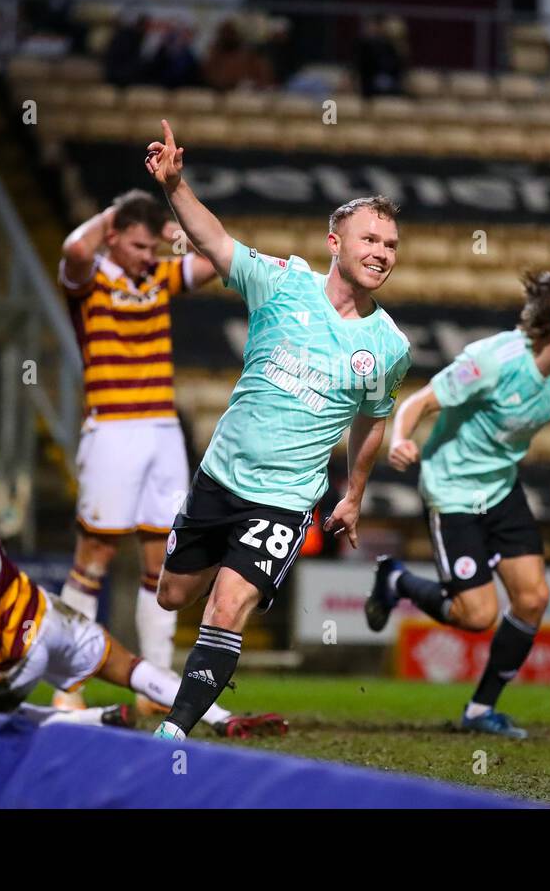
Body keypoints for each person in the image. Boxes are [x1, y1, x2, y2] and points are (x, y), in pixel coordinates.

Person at [144, 119, 412, 740]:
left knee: (227, 605)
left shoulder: (389, 346)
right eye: (369, 239)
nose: (380, 252)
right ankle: (197, 661)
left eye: (391, 244)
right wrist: (175, 187)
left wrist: (354, 493)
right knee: (172, 596)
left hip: (287, 499)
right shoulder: (282, 282)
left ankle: (175, 732)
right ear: (334, 242)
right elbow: (215, 242)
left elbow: (373, 419)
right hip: (220, 476)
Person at [365, 272, 550, 738]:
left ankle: (480, 711)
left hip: (501, 490)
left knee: (534, 598)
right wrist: (400, 441)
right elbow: (417, 403)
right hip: (454, 494)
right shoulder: (493, 360)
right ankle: (396, 578)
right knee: (476, 616)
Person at [0, 453, 284, 737]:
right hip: (44, 609)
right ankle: (220, 716)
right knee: (129, 667)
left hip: (9, 653)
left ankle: (83, 721)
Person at [57, 189, 217, 715]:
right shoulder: (91, 279)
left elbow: (214, 261)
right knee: (95, 557)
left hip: (162, 432)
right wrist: (110, 212)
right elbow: (75, 252)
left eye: (154, 248)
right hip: (112, 431)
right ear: (114, 238)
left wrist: (178, 232)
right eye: (140, 246)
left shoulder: (158, 277)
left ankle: (157, 681)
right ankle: (67, 679)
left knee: (161, 555)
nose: (150, 257)